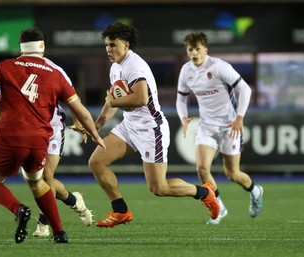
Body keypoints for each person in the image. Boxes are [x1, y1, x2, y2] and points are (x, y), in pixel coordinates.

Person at [0, 27, 105, 244]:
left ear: (21, 47)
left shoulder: (6, 67)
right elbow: (78, 107)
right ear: (42, 46)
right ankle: (62, 225)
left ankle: (29, 213)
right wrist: (95, 133)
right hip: (40, 136)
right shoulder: (55, 73)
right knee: (39, 181)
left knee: (17, 179)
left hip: (42, 132)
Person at [88, 22, 220, 228]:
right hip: (130, 126)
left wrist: (113, 102)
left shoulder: (134, 65)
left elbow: (140, 98)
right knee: (96, 162)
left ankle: (204, 192)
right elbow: (113, 100)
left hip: (151, 129)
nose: (108, 49)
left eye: (113, 45)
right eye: (106, 45)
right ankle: (121, 211)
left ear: (126, 45)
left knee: (159, 188)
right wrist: (97, 125)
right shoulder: (115, 67)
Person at [175, 32, 263, 225]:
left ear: (205, 50)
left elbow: (245, 89)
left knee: (233, 174)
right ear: (187, 51)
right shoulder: (186, 71)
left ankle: (255, 191)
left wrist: (239, 117)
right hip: (206, 126)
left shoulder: (218, 66)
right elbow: (181, 97)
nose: (194, 53)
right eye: (191, 49)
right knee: (202, 168)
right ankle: (219, 207)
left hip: (230, 126)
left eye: (198, 49)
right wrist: (183, 117)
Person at [0, 89, 93, 238]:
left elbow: (72, 99)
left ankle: (44, 223)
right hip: (26, 132)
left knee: (46, 176)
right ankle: (73, 200)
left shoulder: (51, 70)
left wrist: (78, 123)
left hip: (53, 129)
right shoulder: (9, 71)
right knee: (38, 180)